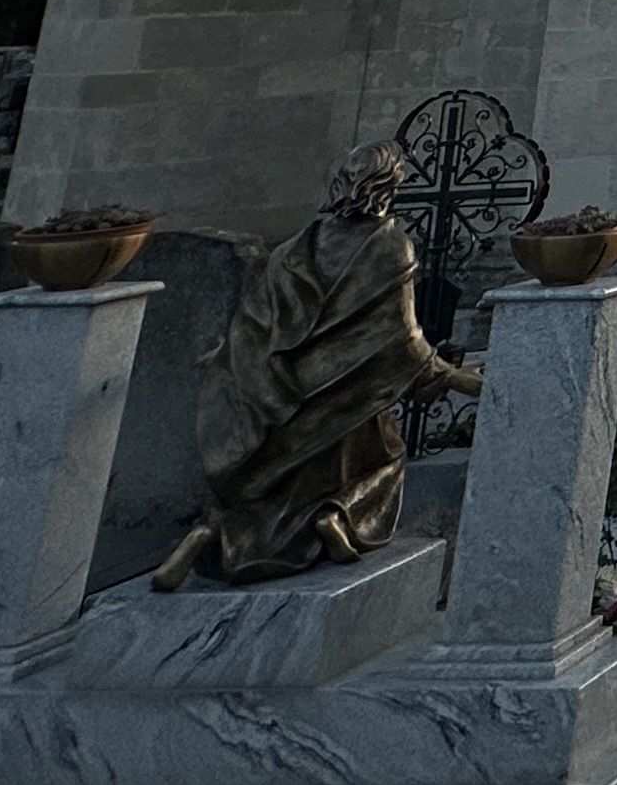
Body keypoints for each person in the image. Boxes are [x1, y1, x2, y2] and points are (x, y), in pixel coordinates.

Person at [152, 141, 481, 588]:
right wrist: (455, 378)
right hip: (340, 397)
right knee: (384, 455)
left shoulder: (297, 245)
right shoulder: (389, 246)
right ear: (388, 187)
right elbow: (401, 338)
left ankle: (207, 531)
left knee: (261, 484)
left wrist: (231, 357)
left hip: (279, 393)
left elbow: (256, 320)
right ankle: (335, 515)